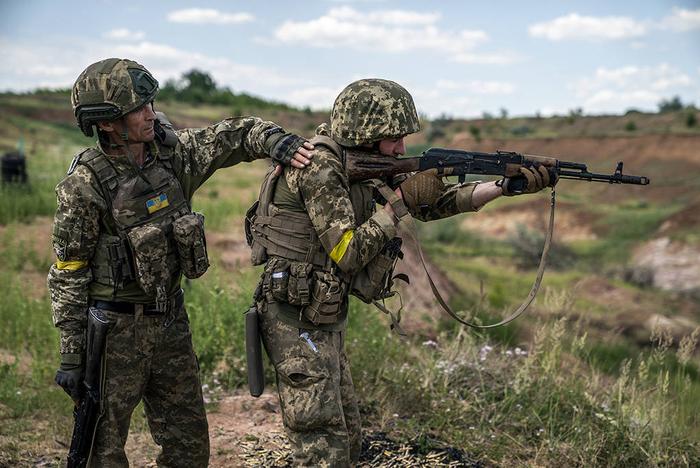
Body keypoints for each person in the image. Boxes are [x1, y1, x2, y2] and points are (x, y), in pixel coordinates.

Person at [246, 78, 555, 466]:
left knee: (348, 440)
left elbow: (430, 204)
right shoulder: (320, 166)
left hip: (322, 314)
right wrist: (398, 206)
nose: (402, 149)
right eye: (394, 138)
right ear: (366, 133)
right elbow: (348, 252)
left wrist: (500, 187)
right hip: (293, 317)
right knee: (321, 443)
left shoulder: (363, 163)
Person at [48, 57, 313, 467]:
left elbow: (233, 136)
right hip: (114, 334)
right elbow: (68, 273)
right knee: (103, 450)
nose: (150, 114)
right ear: (106, 123)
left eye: (150, 103)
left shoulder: (173, 157)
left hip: (170, 322)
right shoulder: (85, 185)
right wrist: (71, 354)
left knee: (189, 446)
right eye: (137, 109)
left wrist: (277, 141)